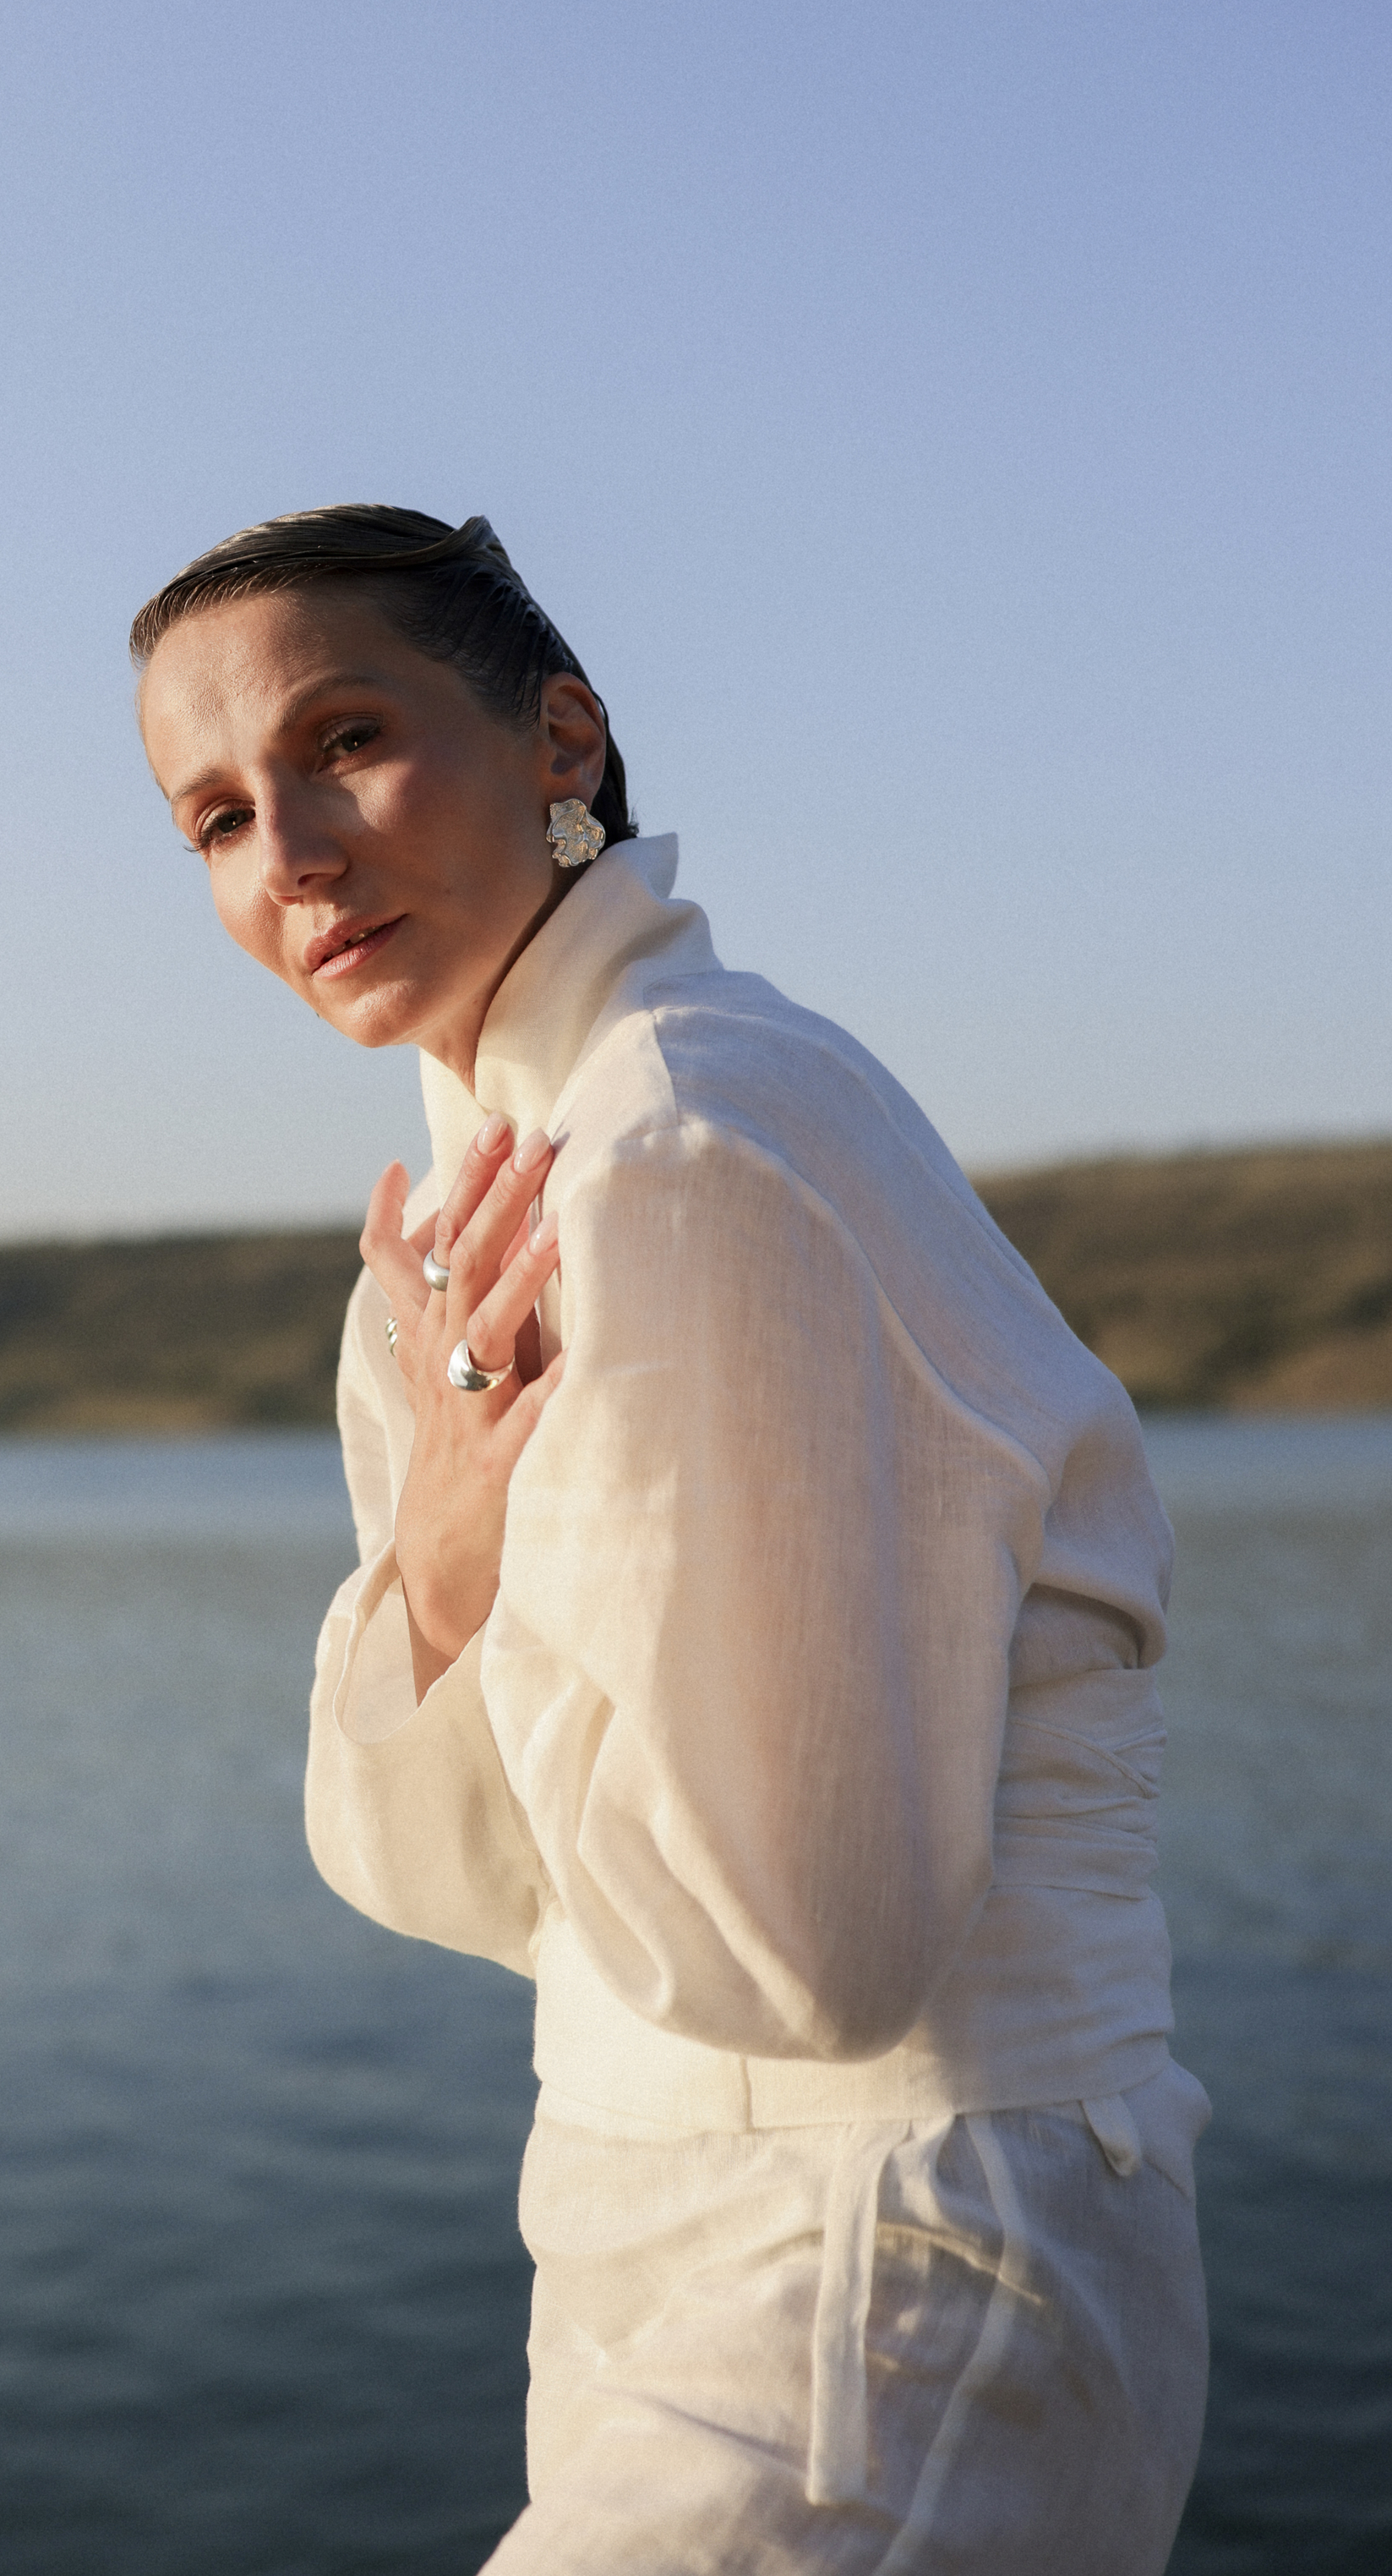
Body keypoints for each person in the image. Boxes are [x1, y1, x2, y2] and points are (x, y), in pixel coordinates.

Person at [133, 503, 1209, 2573]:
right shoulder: (466, 1225)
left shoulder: (692, 1136)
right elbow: (452, 1877)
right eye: (211, 817)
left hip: (883, 2255)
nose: (287, 851)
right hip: (639, 2230)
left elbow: (809, 1950)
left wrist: (485, 1547)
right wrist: (447, 1555)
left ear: (561, 737)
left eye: (343, 740)